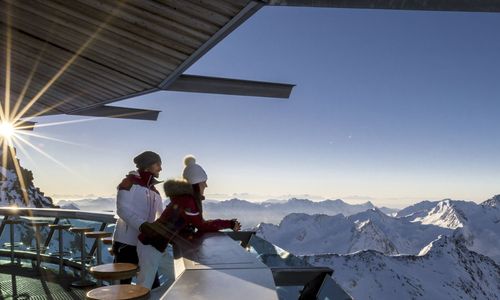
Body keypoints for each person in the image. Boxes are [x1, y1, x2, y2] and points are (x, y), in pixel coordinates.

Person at [136, 155, 241, 289]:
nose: (206, 185)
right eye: (204, 181)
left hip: (155, 245)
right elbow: (201, 225)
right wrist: (229, 224)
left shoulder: (183, 198)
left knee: (179, 279)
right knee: (144, 287)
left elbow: (185, 222)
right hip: (149, 245)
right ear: (196, 183)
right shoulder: (187, 201)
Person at [111, 151, 164, 286]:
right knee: (122, 286)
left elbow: (161, 216)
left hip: (146, 243)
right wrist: (143, 226)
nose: (161, 168)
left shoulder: (155, 191)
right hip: (126, 243)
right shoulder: (129, 182)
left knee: (152, 284)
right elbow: (122, 210)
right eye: (158, 164)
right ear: (148, 165)